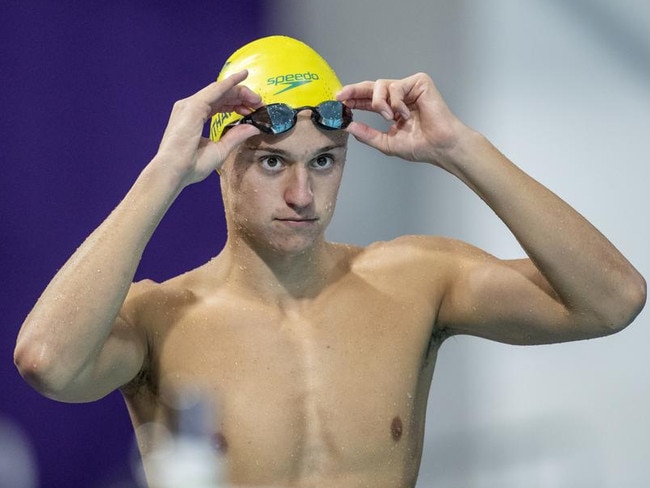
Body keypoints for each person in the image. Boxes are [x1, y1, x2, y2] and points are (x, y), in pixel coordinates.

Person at [14, 35, 646, 488]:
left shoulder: (416, 280)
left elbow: (613, 299)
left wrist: (463, 149)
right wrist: (163, 174)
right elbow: (48, 363)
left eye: (324, 160)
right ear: (218, 162)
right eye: (271, 161)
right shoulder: (163, 318)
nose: (302, 194)